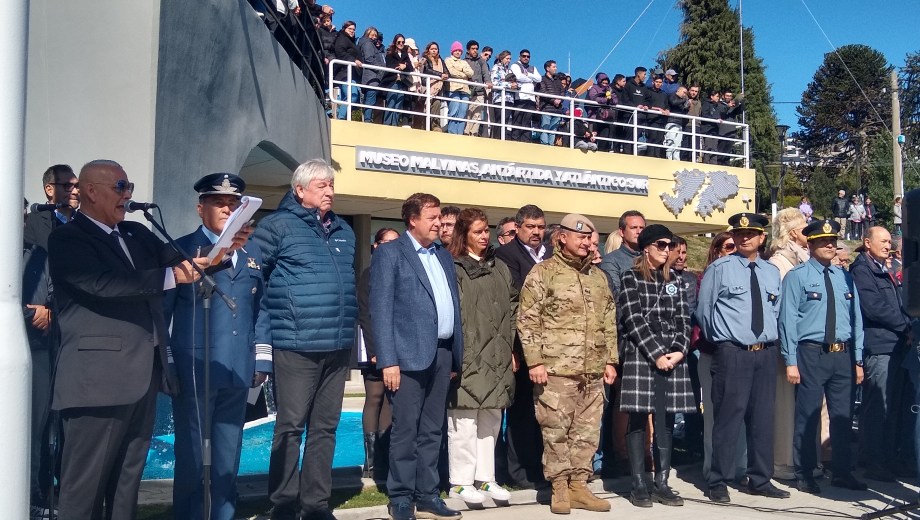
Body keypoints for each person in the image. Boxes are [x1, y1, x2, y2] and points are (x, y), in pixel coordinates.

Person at [48, 160, 226, 519]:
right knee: (83, 490)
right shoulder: (67, 238)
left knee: (126, 485)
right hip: (96, 382)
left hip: (141, 376)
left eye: (128, 187)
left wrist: (222, 248)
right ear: (90, 191)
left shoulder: (136, 234)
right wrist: (172, 276)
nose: (127, 194)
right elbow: (101, 285)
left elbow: (184, 260)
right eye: (119, 186)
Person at [253, 159, 357, 520]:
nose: (329, 191)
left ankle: (315, 505)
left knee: (325, 427)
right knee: (290, 426)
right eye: (321, 186)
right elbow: (255, 282)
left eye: (331, 185)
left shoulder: (344, 229)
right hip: (295, 344)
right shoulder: (276, 226)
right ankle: (283, 502)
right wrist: (262, 343)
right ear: (299, 190)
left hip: (338, 344)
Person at [164, 174, 272, 520]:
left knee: (228, 453)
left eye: (233, 203)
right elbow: (161, 314)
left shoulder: (253, 251)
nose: (227, 209)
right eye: (218, 203)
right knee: (193, 454)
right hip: (195, 367)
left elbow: (261, 309)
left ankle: (223, 514)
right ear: (200, 209)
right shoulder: (181, 249)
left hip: (238, 367)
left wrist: (262, 359)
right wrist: (166, 365)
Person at [370, 193, 464, 520]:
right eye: (432, 217)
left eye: (440, 217)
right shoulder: (391, 254)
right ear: (413, 220)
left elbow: (451, 302)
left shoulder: (444, 255)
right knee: (406, 430)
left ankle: (427, 494)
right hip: (407, 358)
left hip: (441, 353)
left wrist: (453, 357)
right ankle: (400, 497)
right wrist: (388, 360)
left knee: (432, 430)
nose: (439, 223)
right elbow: (380, 310)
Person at [518, 214, 618, 514]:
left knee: (587, 432)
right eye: (581, 237)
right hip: (556, 369)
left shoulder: (597, 277)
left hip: (593, 369)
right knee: (555, 430)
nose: (588, 242)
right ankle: (559, 488)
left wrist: (610, 360)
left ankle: (579, 486)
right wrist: (534, 361)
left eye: (591, 238)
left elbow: (609, 321)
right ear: (562, 237)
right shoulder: (543, 273)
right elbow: (527, 319)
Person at [695, 213, 790, 503]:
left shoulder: (770, 271)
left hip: (765, 352)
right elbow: (704, 311)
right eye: (738, 233)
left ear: (762, 238)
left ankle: (760, 479)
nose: (744, 237)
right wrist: (724, 341)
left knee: (762, 419)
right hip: (733, 352)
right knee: (728, 419)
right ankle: (718, 480)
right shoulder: (720, 268)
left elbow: (775, 310)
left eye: (751, 234)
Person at [779, 219, 868, 494]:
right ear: (811, 243)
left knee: (842, 416)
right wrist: (790, 361)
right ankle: (805, 472)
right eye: (823, 241)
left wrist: (858, 359)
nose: (830, 245)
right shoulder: (798, 276)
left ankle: (842, 471)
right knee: (808, 415)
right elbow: (787, 320)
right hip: (811, 353)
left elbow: (857, 321)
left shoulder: (845, 276)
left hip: (842, 354)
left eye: (833, 241)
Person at [618, 225, 694, 508]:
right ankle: (638, 483)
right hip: (642, 354)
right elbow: (633, 319)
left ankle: (661, 483)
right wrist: (656, 353)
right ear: (646, 247)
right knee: (638, 417)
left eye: (669, 245)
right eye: (661, 245)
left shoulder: (675, 279)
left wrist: (679, 350)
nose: (667, 250)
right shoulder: (631, 277)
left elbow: (683, 318)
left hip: (672, 356)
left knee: (666, 420)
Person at [446, 208, 517, 506]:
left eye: (486, 230)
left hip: (498, 355)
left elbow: (514, 307)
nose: (484, 236)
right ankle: (460, 482)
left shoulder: (499, 266)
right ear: (464, 235)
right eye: (477, 231)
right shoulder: (454, 267)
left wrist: (512, 347)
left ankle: (486, 478)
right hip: (469, 355)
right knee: (463, 420)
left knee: (491, 418)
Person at [494, 205, 551, 488]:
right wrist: (515, 349)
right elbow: (514, 302)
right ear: (518, 228)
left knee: (543, 412)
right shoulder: (506, 255)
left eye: (540, 226)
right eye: (531, 227)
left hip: (551, 347)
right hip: (521, 346)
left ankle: (541, 467)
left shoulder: (552, 254)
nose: (536, 232)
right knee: (520, 413)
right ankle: (518, 473)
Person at [850, 226, 912, 482]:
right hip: (879, 346)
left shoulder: (885, 268)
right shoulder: (862, 270)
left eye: (889, 242)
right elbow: (874, 308)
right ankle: (872, 460)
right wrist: (906, 326)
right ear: (867, 242)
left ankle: (888, 457)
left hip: (896, 346)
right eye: (883, 241)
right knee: (878, 407)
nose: (888, 246)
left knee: (893, 408)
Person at [693, 232, 746, 483]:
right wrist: (721, 341)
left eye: (736, 247)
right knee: (713, 415)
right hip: (713, 352)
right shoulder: (706, 277)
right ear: (716, 251)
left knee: (742, 413)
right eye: (728, 247)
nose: (734, 251)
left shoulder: (749, 274)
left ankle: (741, 467)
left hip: (743, 354)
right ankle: (713, 468)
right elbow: (703, 315)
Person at [767, 208, 810, 480]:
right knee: (784, 404)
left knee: (802, 404)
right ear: (793, 232)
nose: (809, 232)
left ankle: (805, 457)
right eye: (805, 227)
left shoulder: (803, 257)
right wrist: (786, 348)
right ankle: (782, 462)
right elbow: (781, 308)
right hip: (786, 342)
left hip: (807, 342)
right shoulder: (779, 262)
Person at [356, 228, 400, 480]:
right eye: (386, 243)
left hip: (397, 346)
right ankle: (371, 461)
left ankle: (384, 456)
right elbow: (366, 314)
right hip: (375, 346)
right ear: (375, 246)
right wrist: (375, 350)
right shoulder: (369, 274)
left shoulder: (398, 270)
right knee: (375, 397)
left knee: (390, 400)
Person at [24, 164, 80, 251]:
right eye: (67, 186)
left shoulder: (86, 223)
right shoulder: (30, 222)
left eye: (77, 186)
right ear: (49, 190)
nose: (76, 191)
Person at [599, 210, 646, 295]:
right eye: (633, 228)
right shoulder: (611, 261)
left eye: (642, 228)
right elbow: (615, 294)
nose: (639, 231)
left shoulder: (650, 258)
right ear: (621, 232)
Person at [509, 50, 541, 143]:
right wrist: (531, 79)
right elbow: (518, 77)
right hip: (520, 97)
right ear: (520, 57)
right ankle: (515, 141)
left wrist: (529, 75)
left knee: (527, 122)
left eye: (528, 56)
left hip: (531, 98)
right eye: (524, 56)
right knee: (517, 120)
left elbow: (539, 79)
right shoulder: (515, 65)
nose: (526, 58)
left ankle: (525, 142)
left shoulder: (532, 68)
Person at [382, 34, 414, 127]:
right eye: (399, 42)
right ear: (395, 42)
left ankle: (395, 124)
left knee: (398, 104)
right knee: (391, 102)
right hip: (393, 81)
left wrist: (405, 66)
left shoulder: (405, 55)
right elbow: (390, 66)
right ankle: (387, 124)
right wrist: (400, 66)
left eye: (403, 42)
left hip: (402, 82)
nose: (401, 44)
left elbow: (410, 68)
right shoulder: (390, 54)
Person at [331, 21, 361, 120]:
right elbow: (340, 53)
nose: (352, 31)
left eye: (353, 29)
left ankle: (336, 115)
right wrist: (354, 60)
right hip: (344, 74)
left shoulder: (351, 41)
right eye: (350, 29)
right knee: (353, 95)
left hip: (351, 74)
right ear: (344, 29)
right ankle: (340, 118)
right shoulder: (342, 38)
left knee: (347, 99)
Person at [418, 41, 449, 132]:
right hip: (427, 86)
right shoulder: (425, 59)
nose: (434, 51)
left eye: (435, 49)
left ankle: (435, 125)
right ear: (428, 50)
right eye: (432, 49)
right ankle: (423, 126)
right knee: (425, 106)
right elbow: (427, 70)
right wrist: (440, 75)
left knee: (437, 104)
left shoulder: (440, 60)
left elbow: (446, 72)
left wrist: (446, 75)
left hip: (437, 88)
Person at [445, 41, 474, 135]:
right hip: (453, 88)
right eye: (456, 50)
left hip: (465, 89)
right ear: (452, 51)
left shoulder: (464, 62)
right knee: (454, 109)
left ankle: (459, 132)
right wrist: (463, 74)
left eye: (459, 51)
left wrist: (461, 71)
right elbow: (450, 71)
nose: (458, 52)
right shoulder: (448, 60)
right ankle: (452, 131)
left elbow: (471, 73)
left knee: (463, 111)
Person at [357, 27, 385, 123]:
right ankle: (367, 120)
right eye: (372, 35)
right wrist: (380, 69)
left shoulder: (368, 44)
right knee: (370, 99)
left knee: (369, 98)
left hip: (370, 76)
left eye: (375, 36)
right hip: (371, 76)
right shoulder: (368, 44)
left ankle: (367, 118)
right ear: (367, 35)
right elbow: (369, 59)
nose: (374, 37)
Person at [464, 40, 491, 136]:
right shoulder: (465, 61)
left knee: (477, 114)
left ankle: (474, 133)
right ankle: (466, 132)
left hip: (480, 91)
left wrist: (488, 82)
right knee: (468, 112)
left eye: (476, 49)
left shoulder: (481, 61)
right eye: (473, 49)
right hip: (469, 90)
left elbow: (485, 73)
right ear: (468, 50)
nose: (475, 51)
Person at [488, 50, 516, 140]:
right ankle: (497, 139)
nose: (509, 60)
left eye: (510, 59)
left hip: (509, 99)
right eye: (507, 58)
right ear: (502, 58)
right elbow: (495, 82)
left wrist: (515, 86)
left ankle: (502, 138)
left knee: (506, 120)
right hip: (499, 98)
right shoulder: (496, 68)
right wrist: (509, 85)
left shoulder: (509, 70)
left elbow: (515, 82)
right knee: (500, 119)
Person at [586, 73, 616, 153]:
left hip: (605, 118)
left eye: (607, 83)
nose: (605, 84)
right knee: (593, 139)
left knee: (604, 139)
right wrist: (606, 100)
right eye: (603, 83)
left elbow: (615, 100)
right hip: (594, 118)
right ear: (599, 81)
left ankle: (602, 154)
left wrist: (611, 99)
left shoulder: (610, 89)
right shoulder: (593, 88)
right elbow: (593, 98)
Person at [538, 60, 564, 146]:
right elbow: (543, 92)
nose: (556, 69)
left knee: (553, 130)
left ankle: (551, 145)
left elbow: (562, 91)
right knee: (545, 128)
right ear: (547, 68)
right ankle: (545, 145)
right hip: (546, 108)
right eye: (554, 67)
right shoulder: (542, 79)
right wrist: (554, 100)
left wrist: (560, 100)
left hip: (557, 109)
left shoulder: (558, 80)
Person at [665, 86, 690, 160]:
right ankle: (668, 159)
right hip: (671, 122)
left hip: (679, 123)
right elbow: (673, 102)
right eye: (684, 92)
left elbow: (683, 111)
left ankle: (676, 160)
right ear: (678, 90)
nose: (685, 94)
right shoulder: (672, 95)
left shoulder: (682, 100)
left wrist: (687, 106)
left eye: (686, 93)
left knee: (678, 144)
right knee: (670, 142)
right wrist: (685, 100)